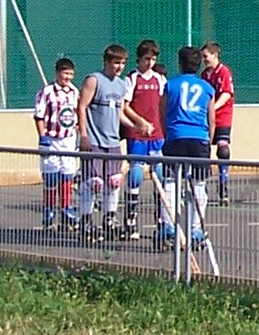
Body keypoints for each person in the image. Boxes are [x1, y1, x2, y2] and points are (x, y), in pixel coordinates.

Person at [160, 45, 215, 250]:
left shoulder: (170, 85)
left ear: (180, 63)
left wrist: (168, 134)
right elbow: (211, 118)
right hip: (199, 138)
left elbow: (162, 112)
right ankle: (196, 229)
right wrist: (208, 139)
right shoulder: (207, 88)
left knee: (171, 182)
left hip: (176, 136)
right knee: (199, 184)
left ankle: (169, 226)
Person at [76, 44, 134, 238]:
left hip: (113, 141)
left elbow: (119, 112)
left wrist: (136, 125)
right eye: (116, 62)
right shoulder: (94, 80)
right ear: (107, 62)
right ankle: (85, 221)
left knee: (114, 181)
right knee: (93, 182)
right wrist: (84, 135)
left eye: (123, 63)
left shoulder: (122, 84)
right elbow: (82, 106)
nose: (119, 67)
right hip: (94, 140)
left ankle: (110, 219)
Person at [122, 40, 165, 237]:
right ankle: (130, 220)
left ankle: (161, 221)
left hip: (156, 135)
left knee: (160, 176)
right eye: (147, 59)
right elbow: (125, 106)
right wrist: (140, 122)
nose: (150, 63)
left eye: (153, 59)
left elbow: (163, 104)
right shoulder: (132, 79)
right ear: (139, 58)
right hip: (137, 135)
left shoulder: (159, 79)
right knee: (136, 175)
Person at [34, 56, 81, 229]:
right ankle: (49, 209)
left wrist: (78, 131)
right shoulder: (47, 92)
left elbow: (78, 113)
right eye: (65, 73)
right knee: (50, 176)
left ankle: (66, 208)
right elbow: (39, 115)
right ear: (57, 73)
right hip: (51, 139)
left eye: (70, 74)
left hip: (68, 140)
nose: (67, 77)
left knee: (67, 175)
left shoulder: (74, 92)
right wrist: (42, 137)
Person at [200, 41, 236, 204]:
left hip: (222, 116)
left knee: (223, 149)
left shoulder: (223, 72)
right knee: (203, 148)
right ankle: (202, 185)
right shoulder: (204, 75)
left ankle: (223, 184)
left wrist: (213, 108)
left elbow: (227, 93)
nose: (204, 60)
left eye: (206, 56)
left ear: (215, 55)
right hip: (207, 118)